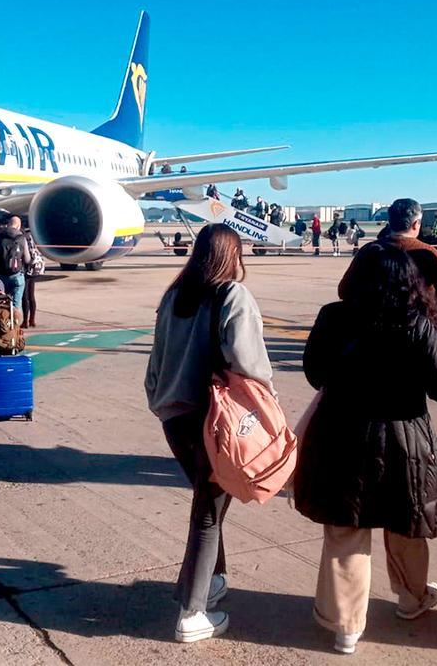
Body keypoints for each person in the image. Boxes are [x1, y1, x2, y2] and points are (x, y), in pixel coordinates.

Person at [293, 243, 437, 655]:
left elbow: (314, 373)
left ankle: (345, 626)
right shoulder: (415, 323)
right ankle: (412, 597)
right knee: (405, 523)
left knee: (346, 529)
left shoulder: (333, 316)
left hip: (340, 435)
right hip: (404, 441)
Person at [144, 224, 273, 644]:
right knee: (208, 513)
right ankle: (192, 612)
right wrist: (266, 404)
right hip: (215, 421)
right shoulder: (232, 295)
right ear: (232, 255)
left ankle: (210, 582)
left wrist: (160, 400)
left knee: (208, 503)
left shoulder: (174, 296)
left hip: (174, 418)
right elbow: (249, 363)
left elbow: (156, 360)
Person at [340, 198, 437, 337]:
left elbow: (344, 290)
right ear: (416, 224)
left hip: (374, 330)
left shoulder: (369, 250)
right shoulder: (428, 253)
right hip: (418, 332)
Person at [0, 216, 31, 311]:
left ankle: (3, 318)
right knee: (16, 305)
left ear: (9, 224)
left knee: (1, 303)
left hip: (1, 276)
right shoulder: (21, 238)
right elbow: (27, 259)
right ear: (18, 226)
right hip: (16, 275)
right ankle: (15, 318)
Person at [23, 225, 45, 328]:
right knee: (31, 295)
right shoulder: (33, 236)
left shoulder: (22, 236)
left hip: (26, 267)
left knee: (25, 296)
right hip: (34, 267)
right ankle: (32, 319)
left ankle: (25, 320)